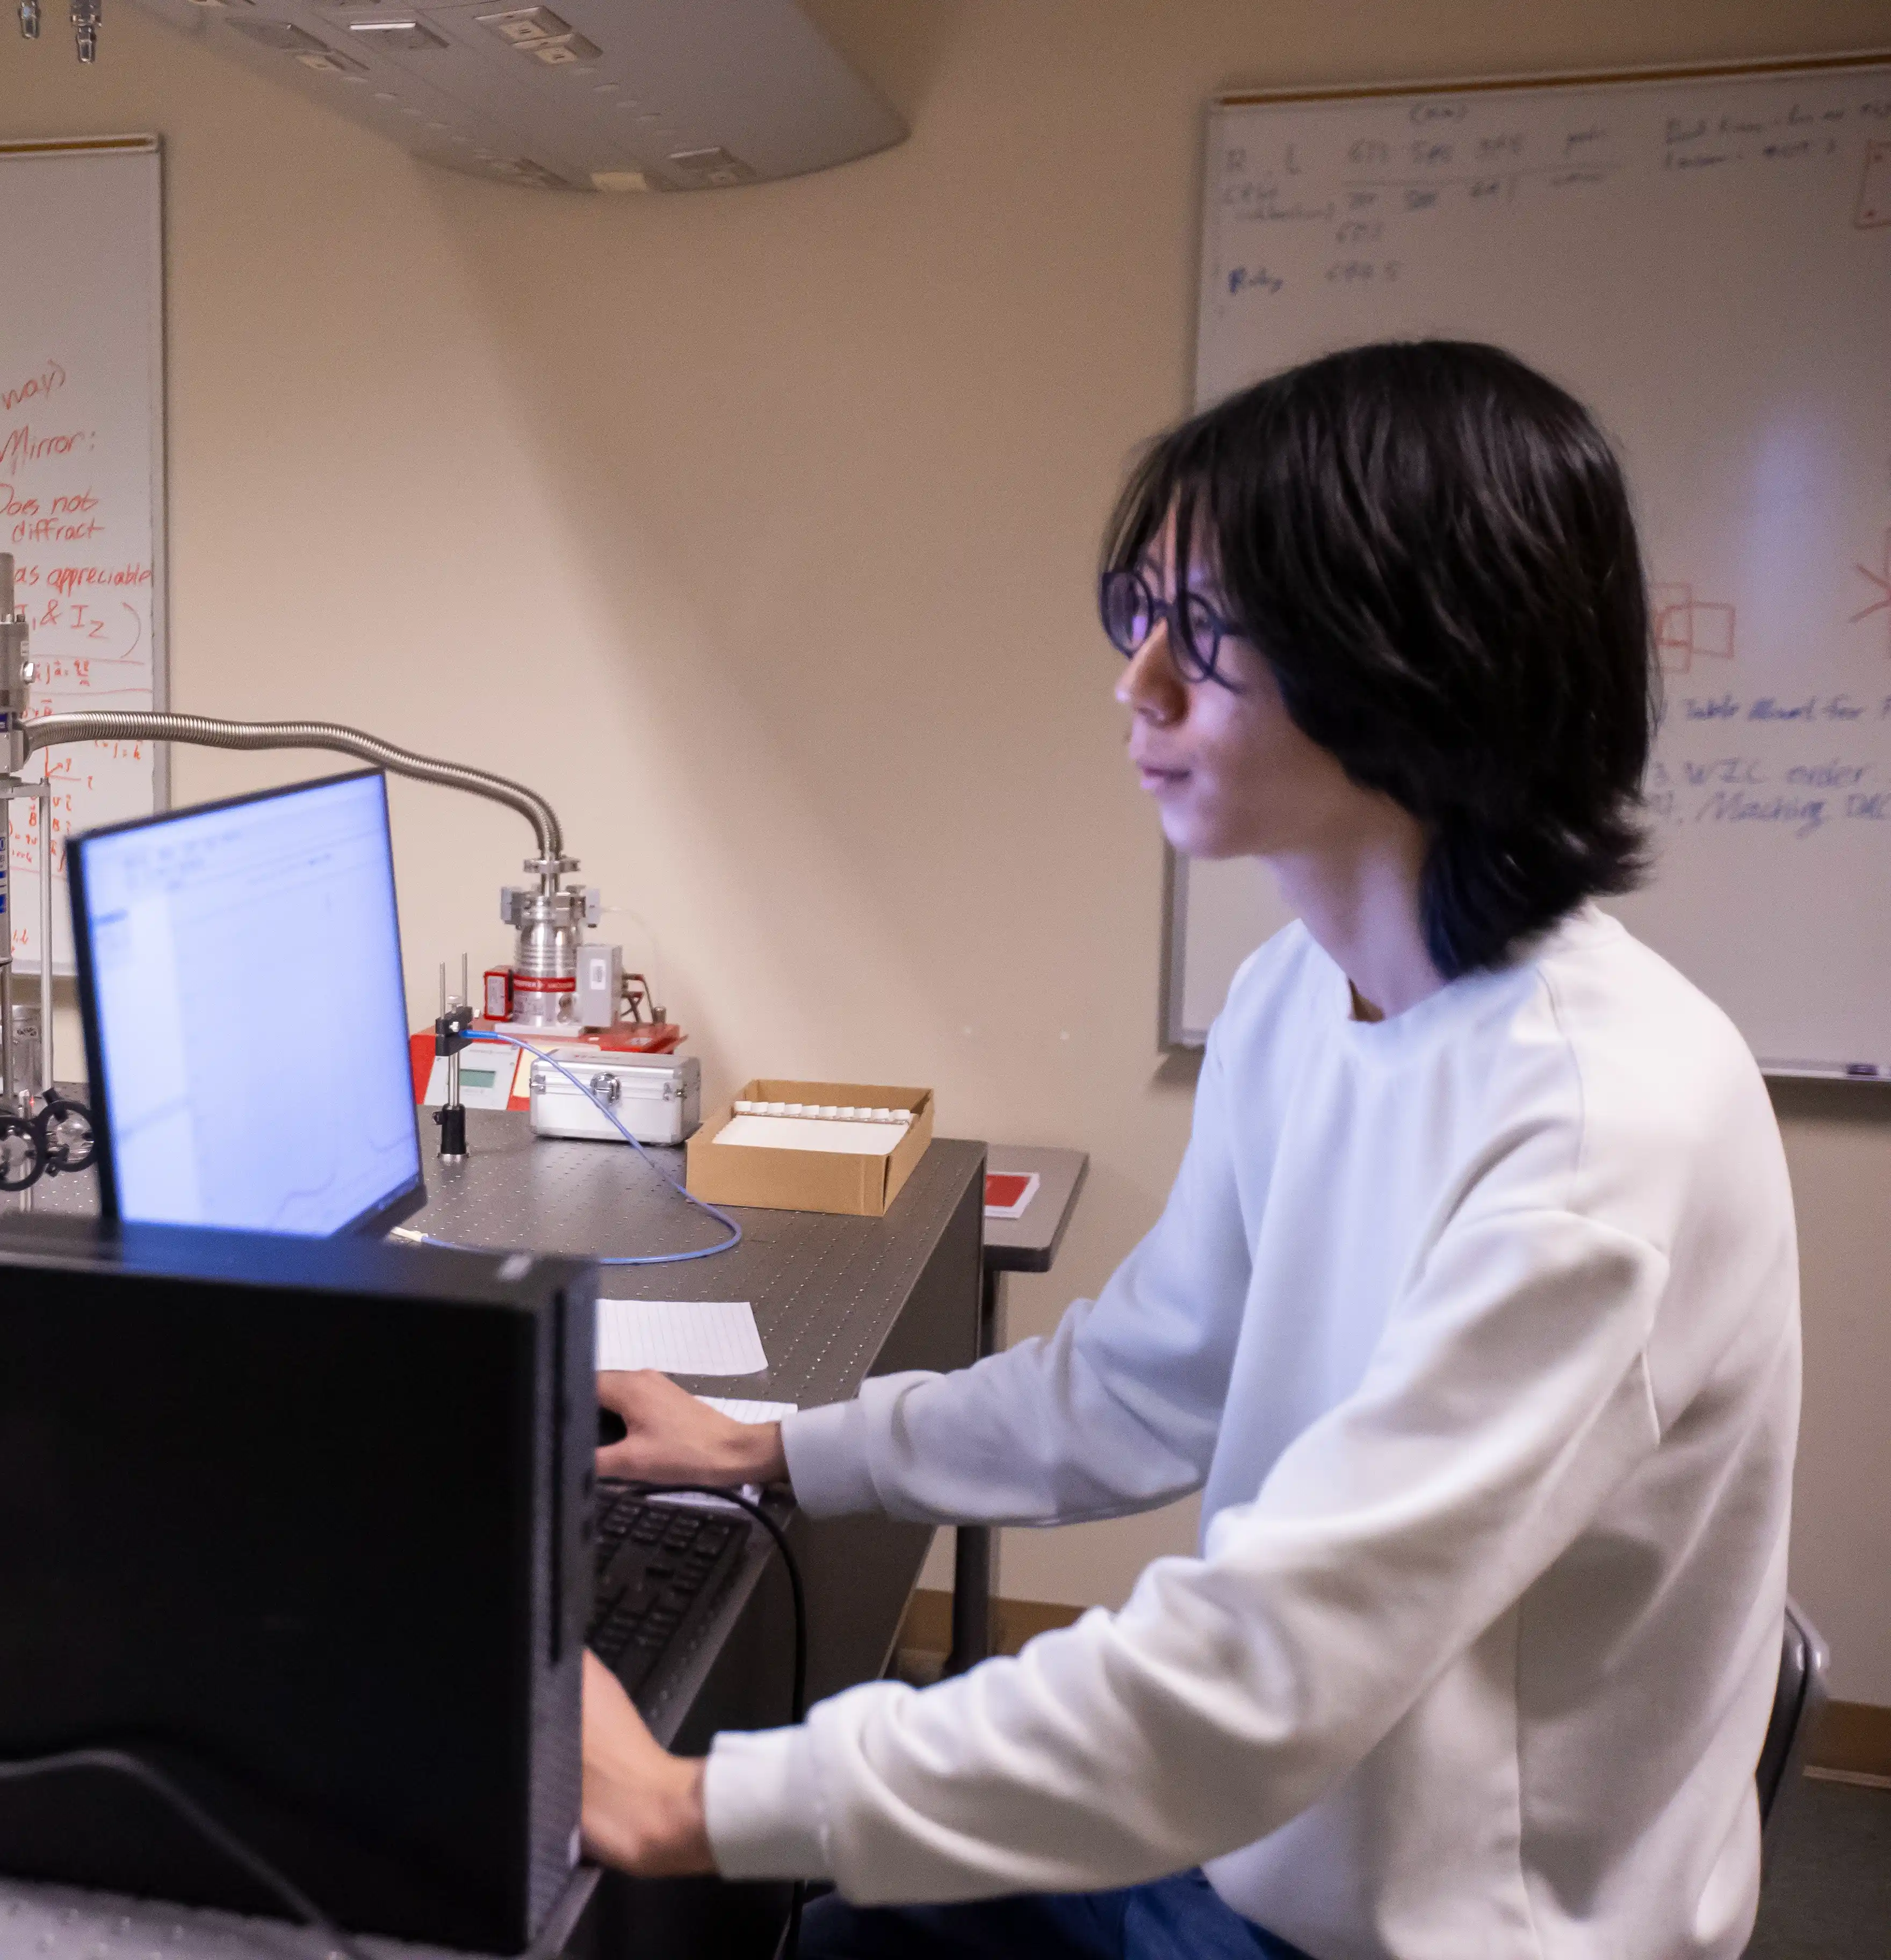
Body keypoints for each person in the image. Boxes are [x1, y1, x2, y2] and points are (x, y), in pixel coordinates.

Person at [581, 342, 1801, 1960]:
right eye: (1138, 616)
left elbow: (1265, 1675)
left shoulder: (1599, 1132)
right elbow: (1153, 1378)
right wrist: (777, 1452)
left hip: (1428, 1929)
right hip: (1271, 1835)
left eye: (1209, 633)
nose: (1138, 684)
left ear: (1422, 660)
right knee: (837, 1930)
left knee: (789, 1904)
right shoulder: (1307, 990)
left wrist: (683, 1804)